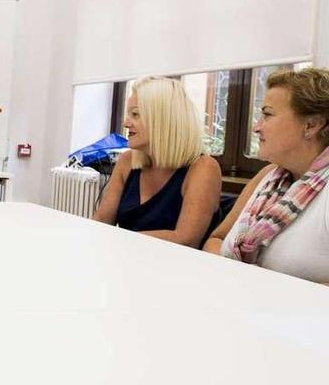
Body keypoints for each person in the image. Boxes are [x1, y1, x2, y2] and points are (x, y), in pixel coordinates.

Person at [203, 68, 329, 284]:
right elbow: (216, 239)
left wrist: (258, 287)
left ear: (311, 125)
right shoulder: (268, 175)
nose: (256, 127)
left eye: (267, 114)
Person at [92, 76, 221, 247]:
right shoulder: (127, 161)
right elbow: (102, 220)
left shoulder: (204, 168)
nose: (125, 122)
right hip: (127, 259)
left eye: (135, 114)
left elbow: (185, 239)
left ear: (162, 119)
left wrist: (120, 240)